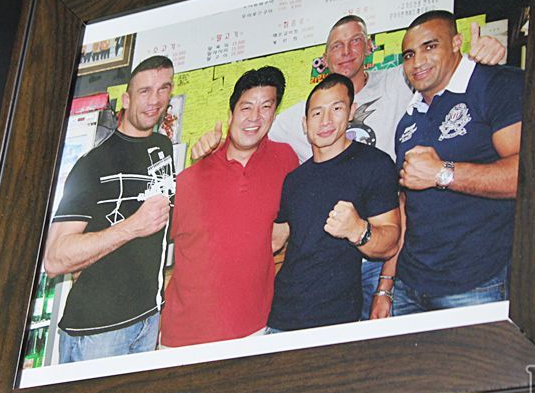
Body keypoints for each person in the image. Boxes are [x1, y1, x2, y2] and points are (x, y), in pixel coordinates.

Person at [192, 14, 505, 320]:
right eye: (336, 46)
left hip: (393, 241)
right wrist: (213, 149)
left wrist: (476, 57)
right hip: (324, 264)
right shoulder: (308, 109)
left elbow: (438, 68)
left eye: (355, 41)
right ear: (325, 58)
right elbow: (252, 130)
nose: (346, 52)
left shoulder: (400, 81)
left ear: (369, 48)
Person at [389, 10, 524, 315]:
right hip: (410, 286)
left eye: (430, 46)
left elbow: (527, 175)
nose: (418, 61)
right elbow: (406, 205)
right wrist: (388, 284)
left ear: (456, 43)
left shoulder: (494, 84)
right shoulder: (408, 121)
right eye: (409, 54)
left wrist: (442, 172)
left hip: (475, 283)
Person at [44, 55, 176, 363]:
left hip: (148, 320)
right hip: (97, 333)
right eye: (144, 91)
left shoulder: (163, 148)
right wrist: (132, 226)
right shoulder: (93, 164)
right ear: (126, 99)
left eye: (163, 88)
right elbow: (54, 258)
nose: (154, 100)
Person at [160, 67, 298, 348]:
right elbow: (150, 245)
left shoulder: (285, 160)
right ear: (231, 113)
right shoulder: (190, 177)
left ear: (274, 114)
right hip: (184, 338)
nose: (255, 118)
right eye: (246, 107)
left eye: (265, 107)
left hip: (254, 330)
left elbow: (288, 222)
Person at [265, 74, 401, 332]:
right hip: (282, 315)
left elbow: (390, 242)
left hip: (336, 319)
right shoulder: (295, 179)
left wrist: (357, 230)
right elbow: (276, 238)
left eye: (336, 109)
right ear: (305, 123)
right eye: (317, 113)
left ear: (352, 112)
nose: (325, 121)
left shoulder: (374, 164)